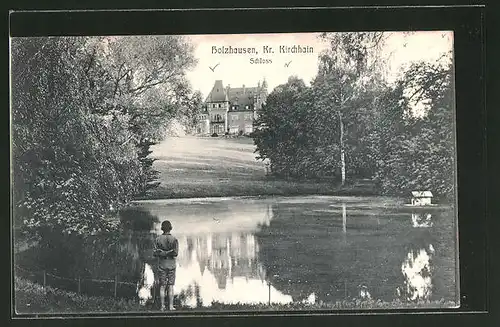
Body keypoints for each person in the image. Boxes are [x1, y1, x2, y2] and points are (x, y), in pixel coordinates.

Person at [153, 220, 179, 311]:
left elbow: (155, 253)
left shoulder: (158, 239)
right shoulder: (174, 239)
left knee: (162, 286)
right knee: (171, 285)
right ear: (170, 228)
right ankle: (171, 306)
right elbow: (175, 253)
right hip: (171, 265)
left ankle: (162, 306)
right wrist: (169, 252)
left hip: (162, 265)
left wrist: (163, 253)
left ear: (162, 228)